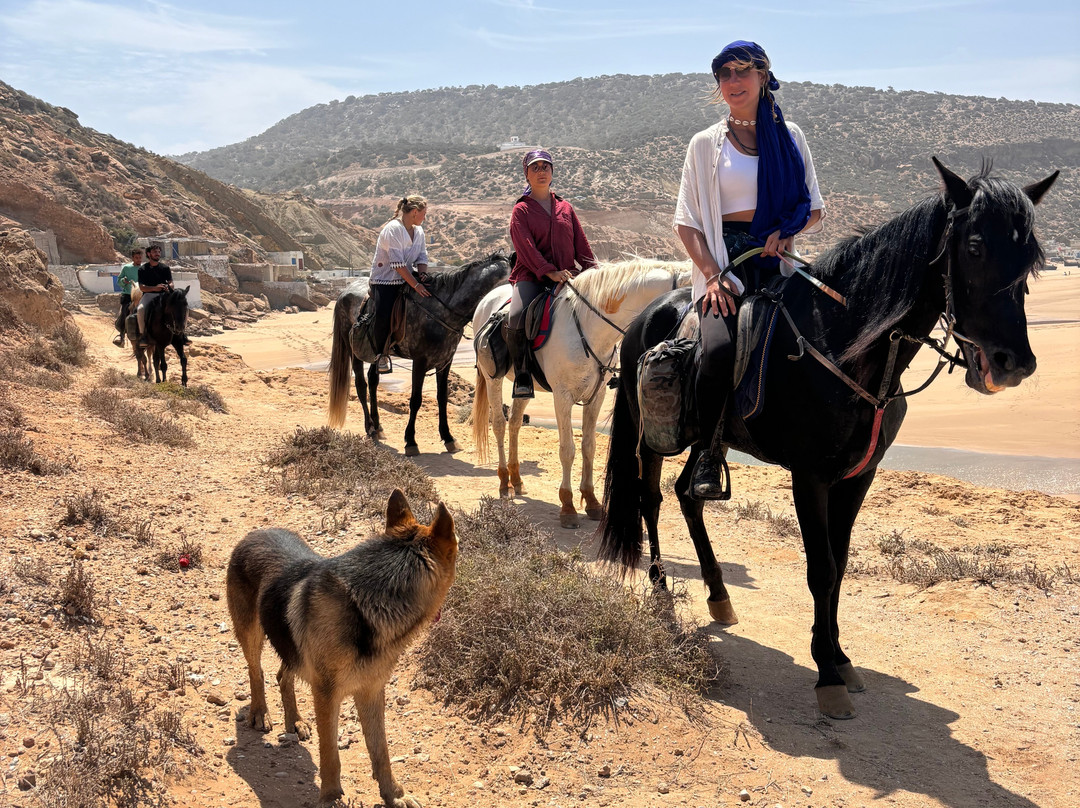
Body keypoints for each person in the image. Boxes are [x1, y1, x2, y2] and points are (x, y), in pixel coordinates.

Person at [673, 40, 825, 499]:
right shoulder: (705, 144)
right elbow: (687, 222)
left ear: (762, 76)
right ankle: (707, 455)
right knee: (718, 349)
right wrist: (712, 275)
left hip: (778, 261)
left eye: (742, 71)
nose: (734, 81)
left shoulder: (791, 136)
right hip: (725, 265)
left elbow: (815, 208)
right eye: (725, 74)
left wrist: (787, 231)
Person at [507, 149, 597, 398]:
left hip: (568, 276)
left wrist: (593, 271)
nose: (541, 172)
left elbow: (581, 245)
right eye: (535, 168)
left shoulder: (565, 208)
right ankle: (522, 376)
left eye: (545, 167)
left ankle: (605, 366)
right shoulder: (521, 210)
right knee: (516, 316)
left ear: (552, 172)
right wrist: (549, 272)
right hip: (532, 276)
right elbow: (526, 247)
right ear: (526, 174)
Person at [369, 195, 431, 373]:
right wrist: (416, 285)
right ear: (414, 212)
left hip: (408, 277)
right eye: (424, 214)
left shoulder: (419, 231)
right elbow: (397, 264)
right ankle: (381, 354)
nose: (424, 218)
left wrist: (423, 275)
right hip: (386, 280)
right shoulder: (393, 229)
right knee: (384, 313)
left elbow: (422, 256)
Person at [136, 244, 175, 345]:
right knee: (140, 310)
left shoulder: (165, 268)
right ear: (149, 254)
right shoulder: (142, 269)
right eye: (154, 252)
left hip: (163, 295)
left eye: (158, 252)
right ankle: (143, 335)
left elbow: (171, 282)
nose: (157, 254)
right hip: (148, 295)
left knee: (180, 308)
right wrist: (154, 288)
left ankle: (181, 334)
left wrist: (168, 287)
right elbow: (142, 287)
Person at [113, 247, 143, 347]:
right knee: (125, 311)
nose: (139, 260)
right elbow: (119, 280)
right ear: (132, 258)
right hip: (128, 294)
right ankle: (121, 336)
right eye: (136, 258)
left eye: (140, 258)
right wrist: (124, 281)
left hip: (142, 295)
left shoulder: (145, 268)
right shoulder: (126, 268)